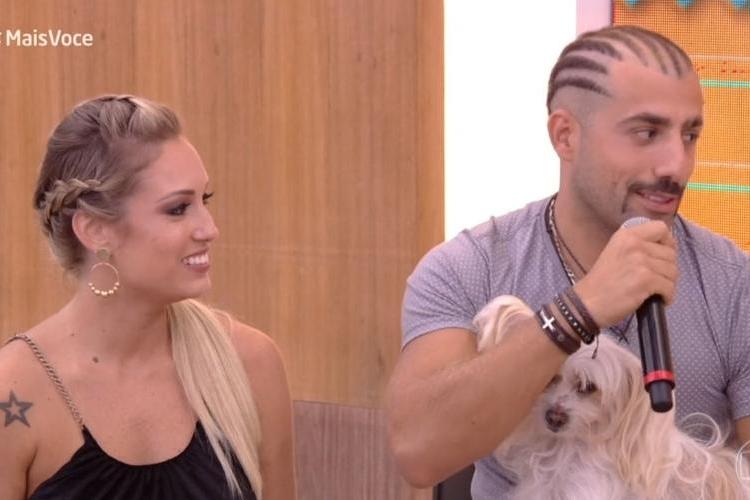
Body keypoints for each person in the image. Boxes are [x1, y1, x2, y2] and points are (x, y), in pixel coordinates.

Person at [385, 25, 750, 498]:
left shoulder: (734, 283)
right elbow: (418, 452)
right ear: (565, 135)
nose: (675, 165)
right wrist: (578, 310)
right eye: (647, 133)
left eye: (690, 135)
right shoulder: (468, 267)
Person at [0, 95, 296, 500]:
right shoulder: (14, 393)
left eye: (204, 201)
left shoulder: (250, 363)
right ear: (96, 231)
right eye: (178, 209)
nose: (209, 229)